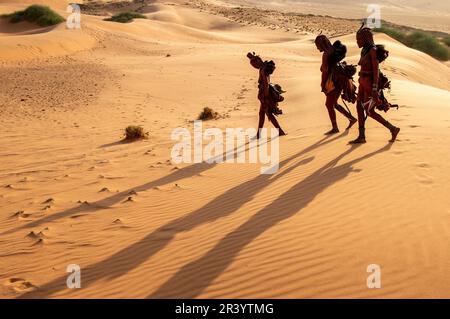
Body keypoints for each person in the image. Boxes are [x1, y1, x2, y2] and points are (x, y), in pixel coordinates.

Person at [350, 25, 400, 144]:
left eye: (359, 39)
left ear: (366, 39)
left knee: (369, 111)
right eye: (356, 39)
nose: (357, 42)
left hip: (369, 83)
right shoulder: (364, 50)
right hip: (362, 81)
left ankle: (393, 128)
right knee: (358, 107)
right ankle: (361, 136)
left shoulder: (373, 50)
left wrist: (374, 89)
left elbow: (376, 70)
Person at [315, 34, 357, 135]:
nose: (317, 48)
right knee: (334, 103)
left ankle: (335, 128)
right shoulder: (334, 49)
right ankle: (351, 119)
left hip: (333, 80)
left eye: (317, 45)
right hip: (340, 79)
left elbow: (325, 71)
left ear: (321, 44)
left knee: (329, 104)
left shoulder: (326, 54)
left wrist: (322, 83)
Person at [247, 52, 287, 139]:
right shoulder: (263, 68)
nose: (254, 66)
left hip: (265, 95)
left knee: (268, 113)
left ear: (258, 61)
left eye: (254, 64)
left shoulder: (263, 70)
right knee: (262, 113)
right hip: (264, 94)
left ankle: (280, 131)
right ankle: (259, 134)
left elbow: (266, 84)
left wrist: (265, 97)